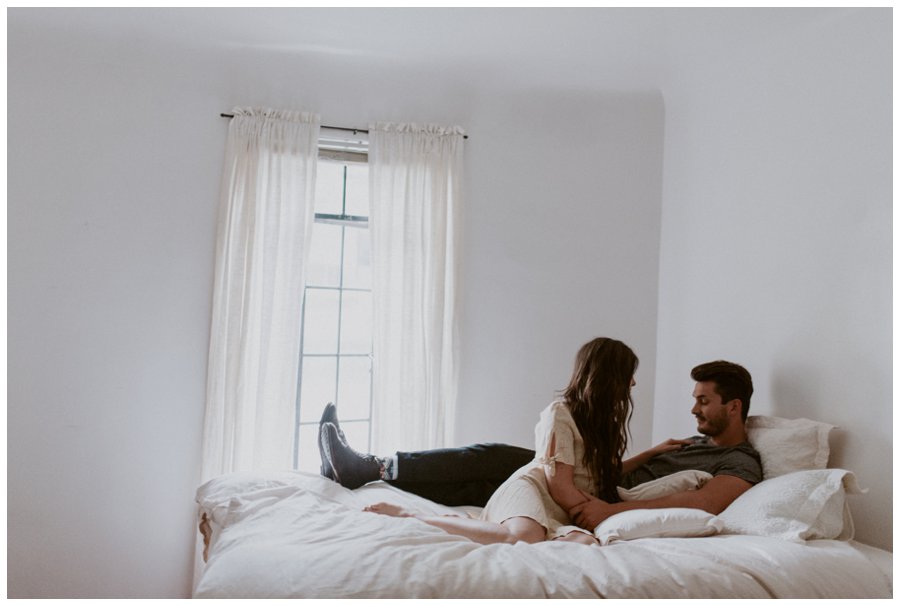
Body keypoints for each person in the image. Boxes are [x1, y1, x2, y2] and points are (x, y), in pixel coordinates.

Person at [320, 357, 763, 535]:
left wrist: (610, 511)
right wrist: (648, 455)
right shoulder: (692, 442)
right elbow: (629, 474)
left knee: (489, 461)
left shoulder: (739, 461)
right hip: (601, 483)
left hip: (602, 499)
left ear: (734, 406)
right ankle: (372, 473)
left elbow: (702, 502)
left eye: (704, 401)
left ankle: (372, 469)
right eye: (695, 401)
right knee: (482, 476)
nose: (695, 411)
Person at [347, 337, 640, 545]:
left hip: (559, 506)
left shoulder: (603, 426)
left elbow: (602, 473)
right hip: (535, 489)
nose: (633, 384)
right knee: (523, 536)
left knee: (577, 543)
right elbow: (560, 486)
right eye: (629, 375)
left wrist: (651, 453)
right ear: (608, 377)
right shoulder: (560, 414)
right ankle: (410, 514)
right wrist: (598, 511)